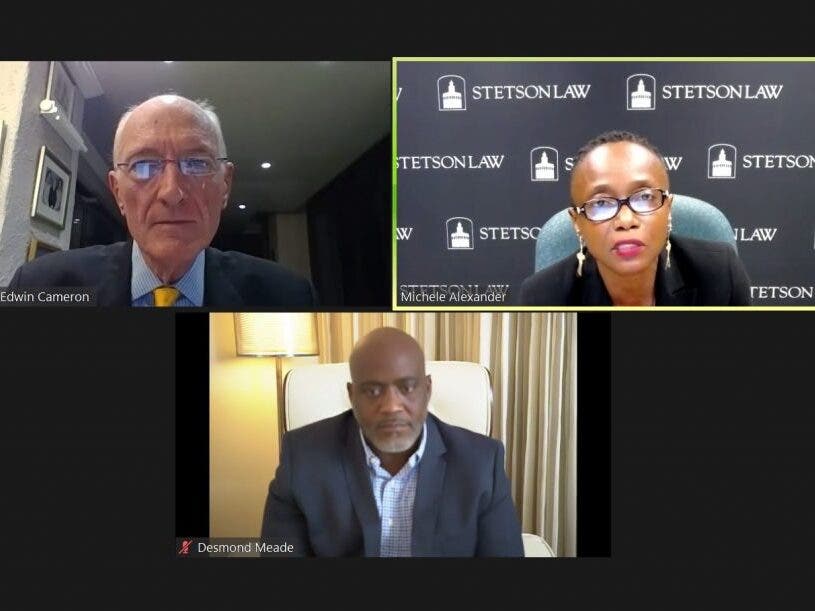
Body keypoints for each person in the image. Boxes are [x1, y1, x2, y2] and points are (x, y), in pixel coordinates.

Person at [9, 94, 316, 307]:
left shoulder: (288, 297)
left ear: (225, 185)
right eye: (144, 165)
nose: (171, 192)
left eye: (196, 163)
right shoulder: (39, 287)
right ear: (118, 192)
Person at [260, 327, 524, 557]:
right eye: (373, 391)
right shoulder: (303, 458)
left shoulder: (480, 463)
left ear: (427, 389)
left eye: (407, 388)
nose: (391, 406)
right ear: (352, 395)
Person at [519, 130, 752, 306]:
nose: (626, 220)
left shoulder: (720, 274)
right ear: (577, 223)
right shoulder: (542, 297)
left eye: (644, 197)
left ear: (668, 208)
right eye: (601, 203)